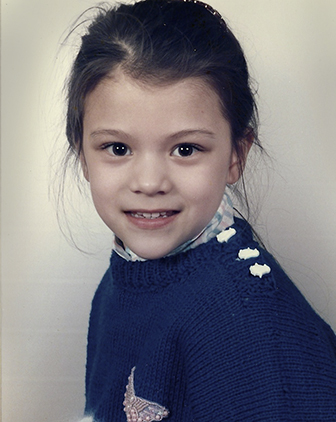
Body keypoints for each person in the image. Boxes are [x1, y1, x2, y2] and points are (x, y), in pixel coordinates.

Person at [63, 0, 336, 420]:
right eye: (118, 148)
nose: (150, 182)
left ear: (234, 157)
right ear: (82, 154)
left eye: (185, 149)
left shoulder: (247, 324)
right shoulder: (123, 277)